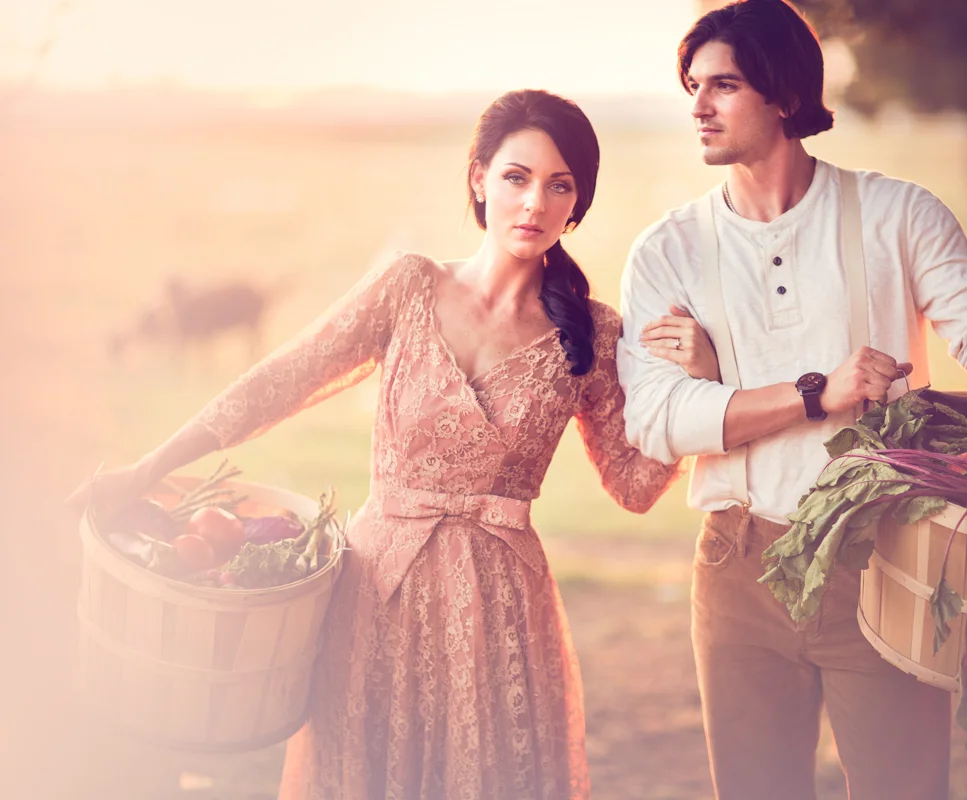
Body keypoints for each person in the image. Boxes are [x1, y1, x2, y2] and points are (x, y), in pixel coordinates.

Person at [68, 89, 719, 800]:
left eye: (558, 185)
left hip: (498, 612)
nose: (534, 202)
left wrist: (703, 385)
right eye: (516, 177)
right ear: (478, 179)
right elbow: (279, 381)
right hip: (377, 590)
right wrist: (148, 468)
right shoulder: (409, 286)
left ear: (578, 203)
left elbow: (633, 484)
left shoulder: (591, 333)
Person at [616, 2, 967, 798]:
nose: (697, 105)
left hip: (887, 557)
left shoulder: (896, 215)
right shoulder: (667, 250)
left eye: (723, 85)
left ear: (785, 94)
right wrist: (814, 394)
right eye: (691, 85)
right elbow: (657, 421)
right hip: (736, 568)